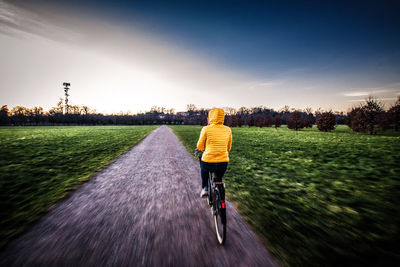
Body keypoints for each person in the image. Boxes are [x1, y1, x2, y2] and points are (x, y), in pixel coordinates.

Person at [196, 108, 232, 198]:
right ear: (222, 118)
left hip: (208, 161)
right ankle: (219, 187)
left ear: (210, 117)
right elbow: (228, 147)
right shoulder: (228, 129)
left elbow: (200, 146)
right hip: (223, 162)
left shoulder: (206, 129)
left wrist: (202, 148)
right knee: (218, 179)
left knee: (204, 169)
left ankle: (205, 188)